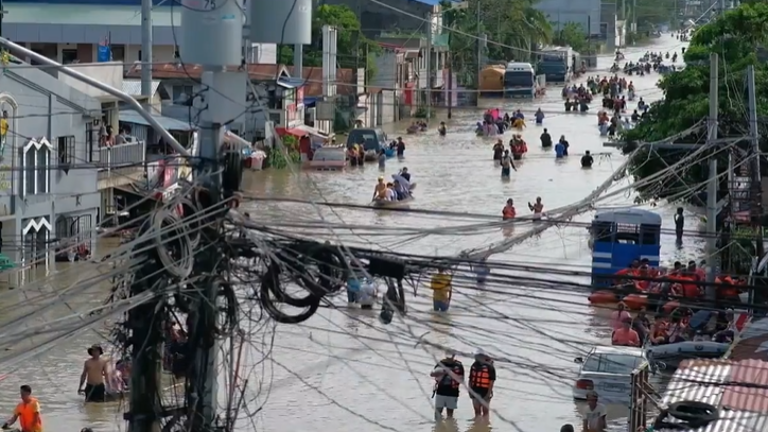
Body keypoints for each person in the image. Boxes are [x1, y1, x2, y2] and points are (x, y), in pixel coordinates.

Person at [430, 350, 464, 420]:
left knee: (450, 414)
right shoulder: (441, 364)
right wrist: (442, 371)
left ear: (454, 356)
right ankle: (437, 427)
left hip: (453, 392)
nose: (449, 359)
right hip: (441, 391)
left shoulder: (458, 365)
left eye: (450, 357)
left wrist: (450, 373)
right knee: (438, 412)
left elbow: (461, 380)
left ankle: (449, 426)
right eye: (448, 357)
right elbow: (432, 374)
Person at [468, 349, 495, 417]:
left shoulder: (490, 367)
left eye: (477, 356)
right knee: (477, 410)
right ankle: (478, 425)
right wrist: (470, 391)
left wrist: (488, 394)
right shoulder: (473, 365)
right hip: (475, 391)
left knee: (485, 411)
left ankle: (485, 423)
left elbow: (491, 381)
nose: (475, 357)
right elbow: (470, 379)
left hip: (485, 391)